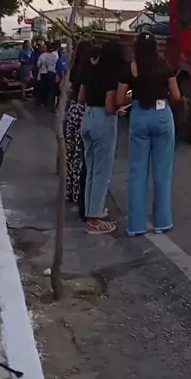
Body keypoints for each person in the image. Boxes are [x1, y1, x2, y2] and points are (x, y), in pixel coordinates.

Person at [117, 31, 180, 236]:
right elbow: (176, 95)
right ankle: (162, 222)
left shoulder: (131, 67)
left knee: (137, 172)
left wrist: (133, 96)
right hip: (162, 115)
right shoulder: (164, 65)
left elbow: (119, 99)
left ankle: (136, 226)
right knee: (162, 172)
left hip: (139, 116)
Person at [79, 40, 125, 235]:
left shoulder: (91, 70)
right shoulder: (112, 74)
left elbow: (80, 98)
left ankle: (91, 212)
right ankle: (95, 219)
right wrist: (119, 108)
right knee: (102, 172)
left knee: (90, 170)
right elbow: (109, 106)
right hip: (102, 121)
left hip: (87, 117)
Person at [65, 40, 92, 209]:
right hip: (83, 111)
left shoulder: (73, 69)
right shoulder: (88, 72)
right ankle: (80, 193)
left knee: (71, 153)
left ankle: (71, 191)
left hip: (73, 110)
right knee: (81, 156)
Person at [36, 42, 58, 109]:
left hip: (43, 73)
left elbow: (38, 64)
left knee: (43, 88)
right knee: (50, 89)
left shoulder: (42, 56)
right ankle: (50, 103)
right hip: (51, 73)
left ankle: (42, 102)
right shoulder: (53, 55)